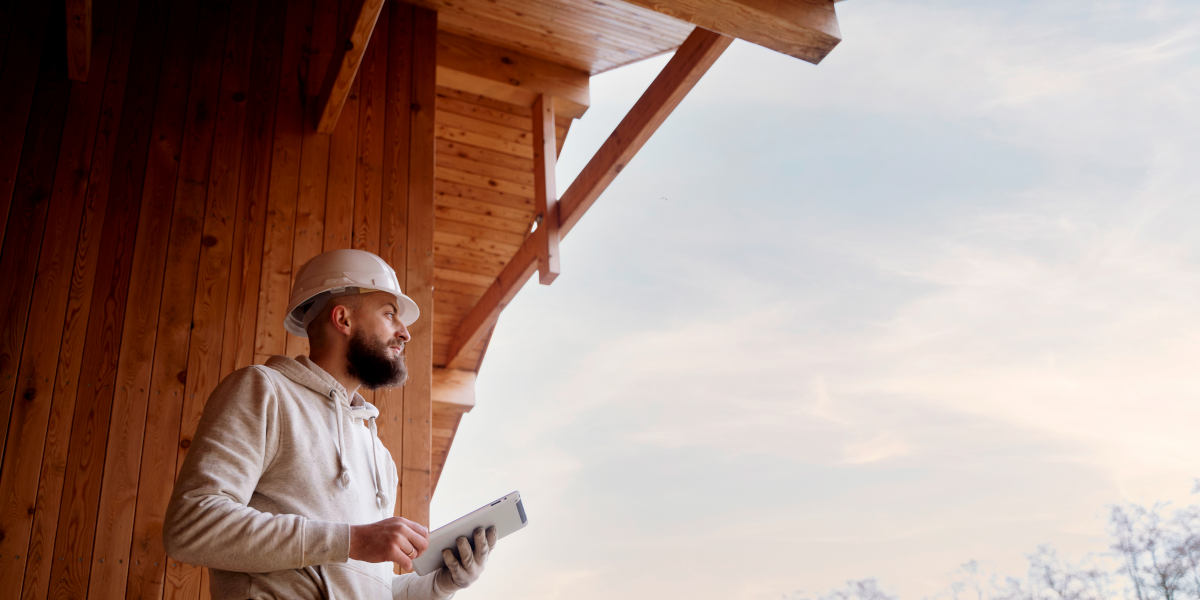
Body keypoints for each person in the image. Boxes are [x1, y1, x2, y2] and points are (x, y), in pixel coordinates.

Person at [164, 249, 495, 599]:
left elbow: (364, 587)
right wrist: (351, 539)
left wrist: (440, 584)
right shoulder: (265, 391)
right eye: (389, 314)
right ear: (343, 319)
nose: (405, 333)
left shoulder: (378, 454)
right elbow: (190, 525)